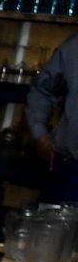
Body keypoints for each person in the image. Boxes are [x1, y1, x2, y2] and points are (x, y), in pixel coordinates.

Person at [27, 32, 78, 201]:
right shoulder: (74, 46)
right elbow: (43, 89)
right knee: (51, 227)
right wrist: (39, 132)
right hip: (69, 170)